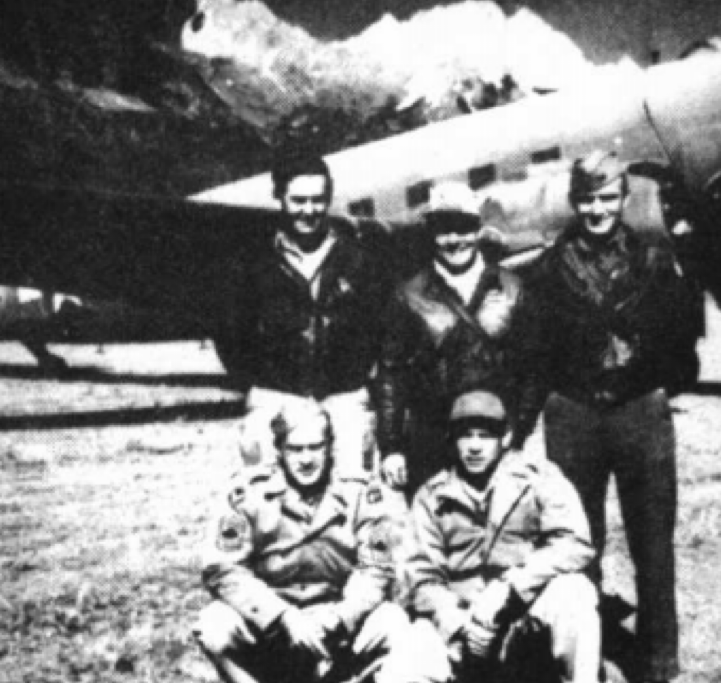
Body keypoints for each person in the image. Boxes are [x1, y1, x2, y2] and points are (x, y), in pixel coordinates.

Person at [529, 150, 695, 682]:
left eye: (607, 198)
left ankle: (658, 659)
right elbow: (536, 346)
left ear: (624, 199)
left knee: (653, 538)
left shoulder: (654, 260)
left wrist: (653, 387)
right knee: (579, 539)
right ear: (573, 202)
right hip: (573, 411)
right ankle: (588, 656)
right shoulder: (548, 268)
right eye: (587, 199)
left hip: (640, 409)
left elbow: (681, 335)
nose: (597, 209)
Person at [193, 399, 440, 683]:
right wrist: (283, 617)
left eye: (315, 447)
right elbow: (222, 568)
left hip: (339, 621)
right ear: (279, 450)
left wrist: (340, 617)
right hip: (271, 625)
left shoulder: (358, 492)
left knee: (393, 622)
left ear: (329, 448)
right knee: (214, 625)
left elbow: (376, 567)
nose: (306, 459)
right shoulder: (248, 494)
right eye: (295, 449)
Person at [405, 387, 600, 683]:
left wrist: (509, 587)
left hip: (521, 621)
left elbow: (575, 543)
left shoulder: (537, 478)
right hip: (460, 628)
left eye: (485, 436)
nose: (474, 447)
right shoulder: (431, 497)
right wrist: (459, 625)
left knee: (575, 591)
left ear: (505, 438)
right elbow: (420, 578)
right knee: (409, 653)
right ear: (451, 440)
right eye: (465, 436)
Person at [228, 145, 395, 475]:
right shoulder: (253, 264)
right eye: (298, 200)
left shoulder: (360, 262)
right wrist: (264, 385)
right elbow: (233, 334)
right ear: (279, 197)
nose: (309, 210)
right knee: (265, 492)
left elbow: (383, 333)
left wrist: (357, 384)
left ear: (329, 199)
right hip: (274, 397)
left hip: (345, 398)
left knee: (352, 488)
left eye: (318, 200)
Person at [374, 182, 545, 496]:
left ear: (478, 228)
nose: (453, 240)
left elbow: (533, 369)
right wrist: (391, 447)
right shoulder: (407, 296)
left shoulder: (513, 289)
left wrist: (518, 433)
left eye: (463, 227)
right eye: (443, 229)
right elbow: (391, 374)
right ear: (430, 232)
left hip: (494, 435)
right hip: (432, 440)